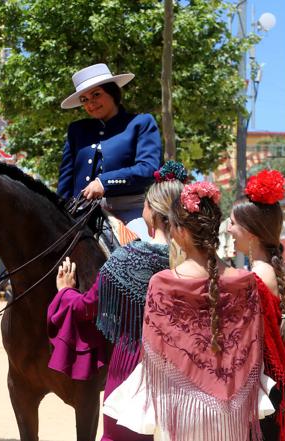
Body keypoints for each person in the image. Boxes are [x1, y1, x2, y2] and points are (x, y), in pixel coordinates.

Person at [51, 161, 188, 440]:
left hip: (129, 373)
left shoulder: (126, 259)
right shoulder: (195, 264)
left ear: (149, 211)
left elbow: (86, 307)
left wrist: (65, 291)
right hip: (184, 378)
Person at [141, 181, 266, 441]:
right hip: (231, 411)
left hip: (180, 406)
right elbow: (252, 345)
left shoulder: (162, 283)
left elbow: (154, 351)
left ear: (181, 232)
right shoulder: (245, 281)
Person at [228, 169, 285, 441]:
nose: (229, 229)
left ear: (252, 234)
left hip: (267, 402)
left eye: (232, 223)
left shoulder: (248, 282)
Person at [57, 63, 162, 240]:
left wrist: (104, 182)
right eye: (84, 100)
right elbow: (65, 181)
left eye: (96, 94)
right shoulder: (77, 130)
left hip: (128, 212)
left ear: (112, 93)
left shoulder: (140, 123)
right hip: (79, 214)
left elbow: (148, 168)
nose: (91, 103)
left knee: (148, 255)